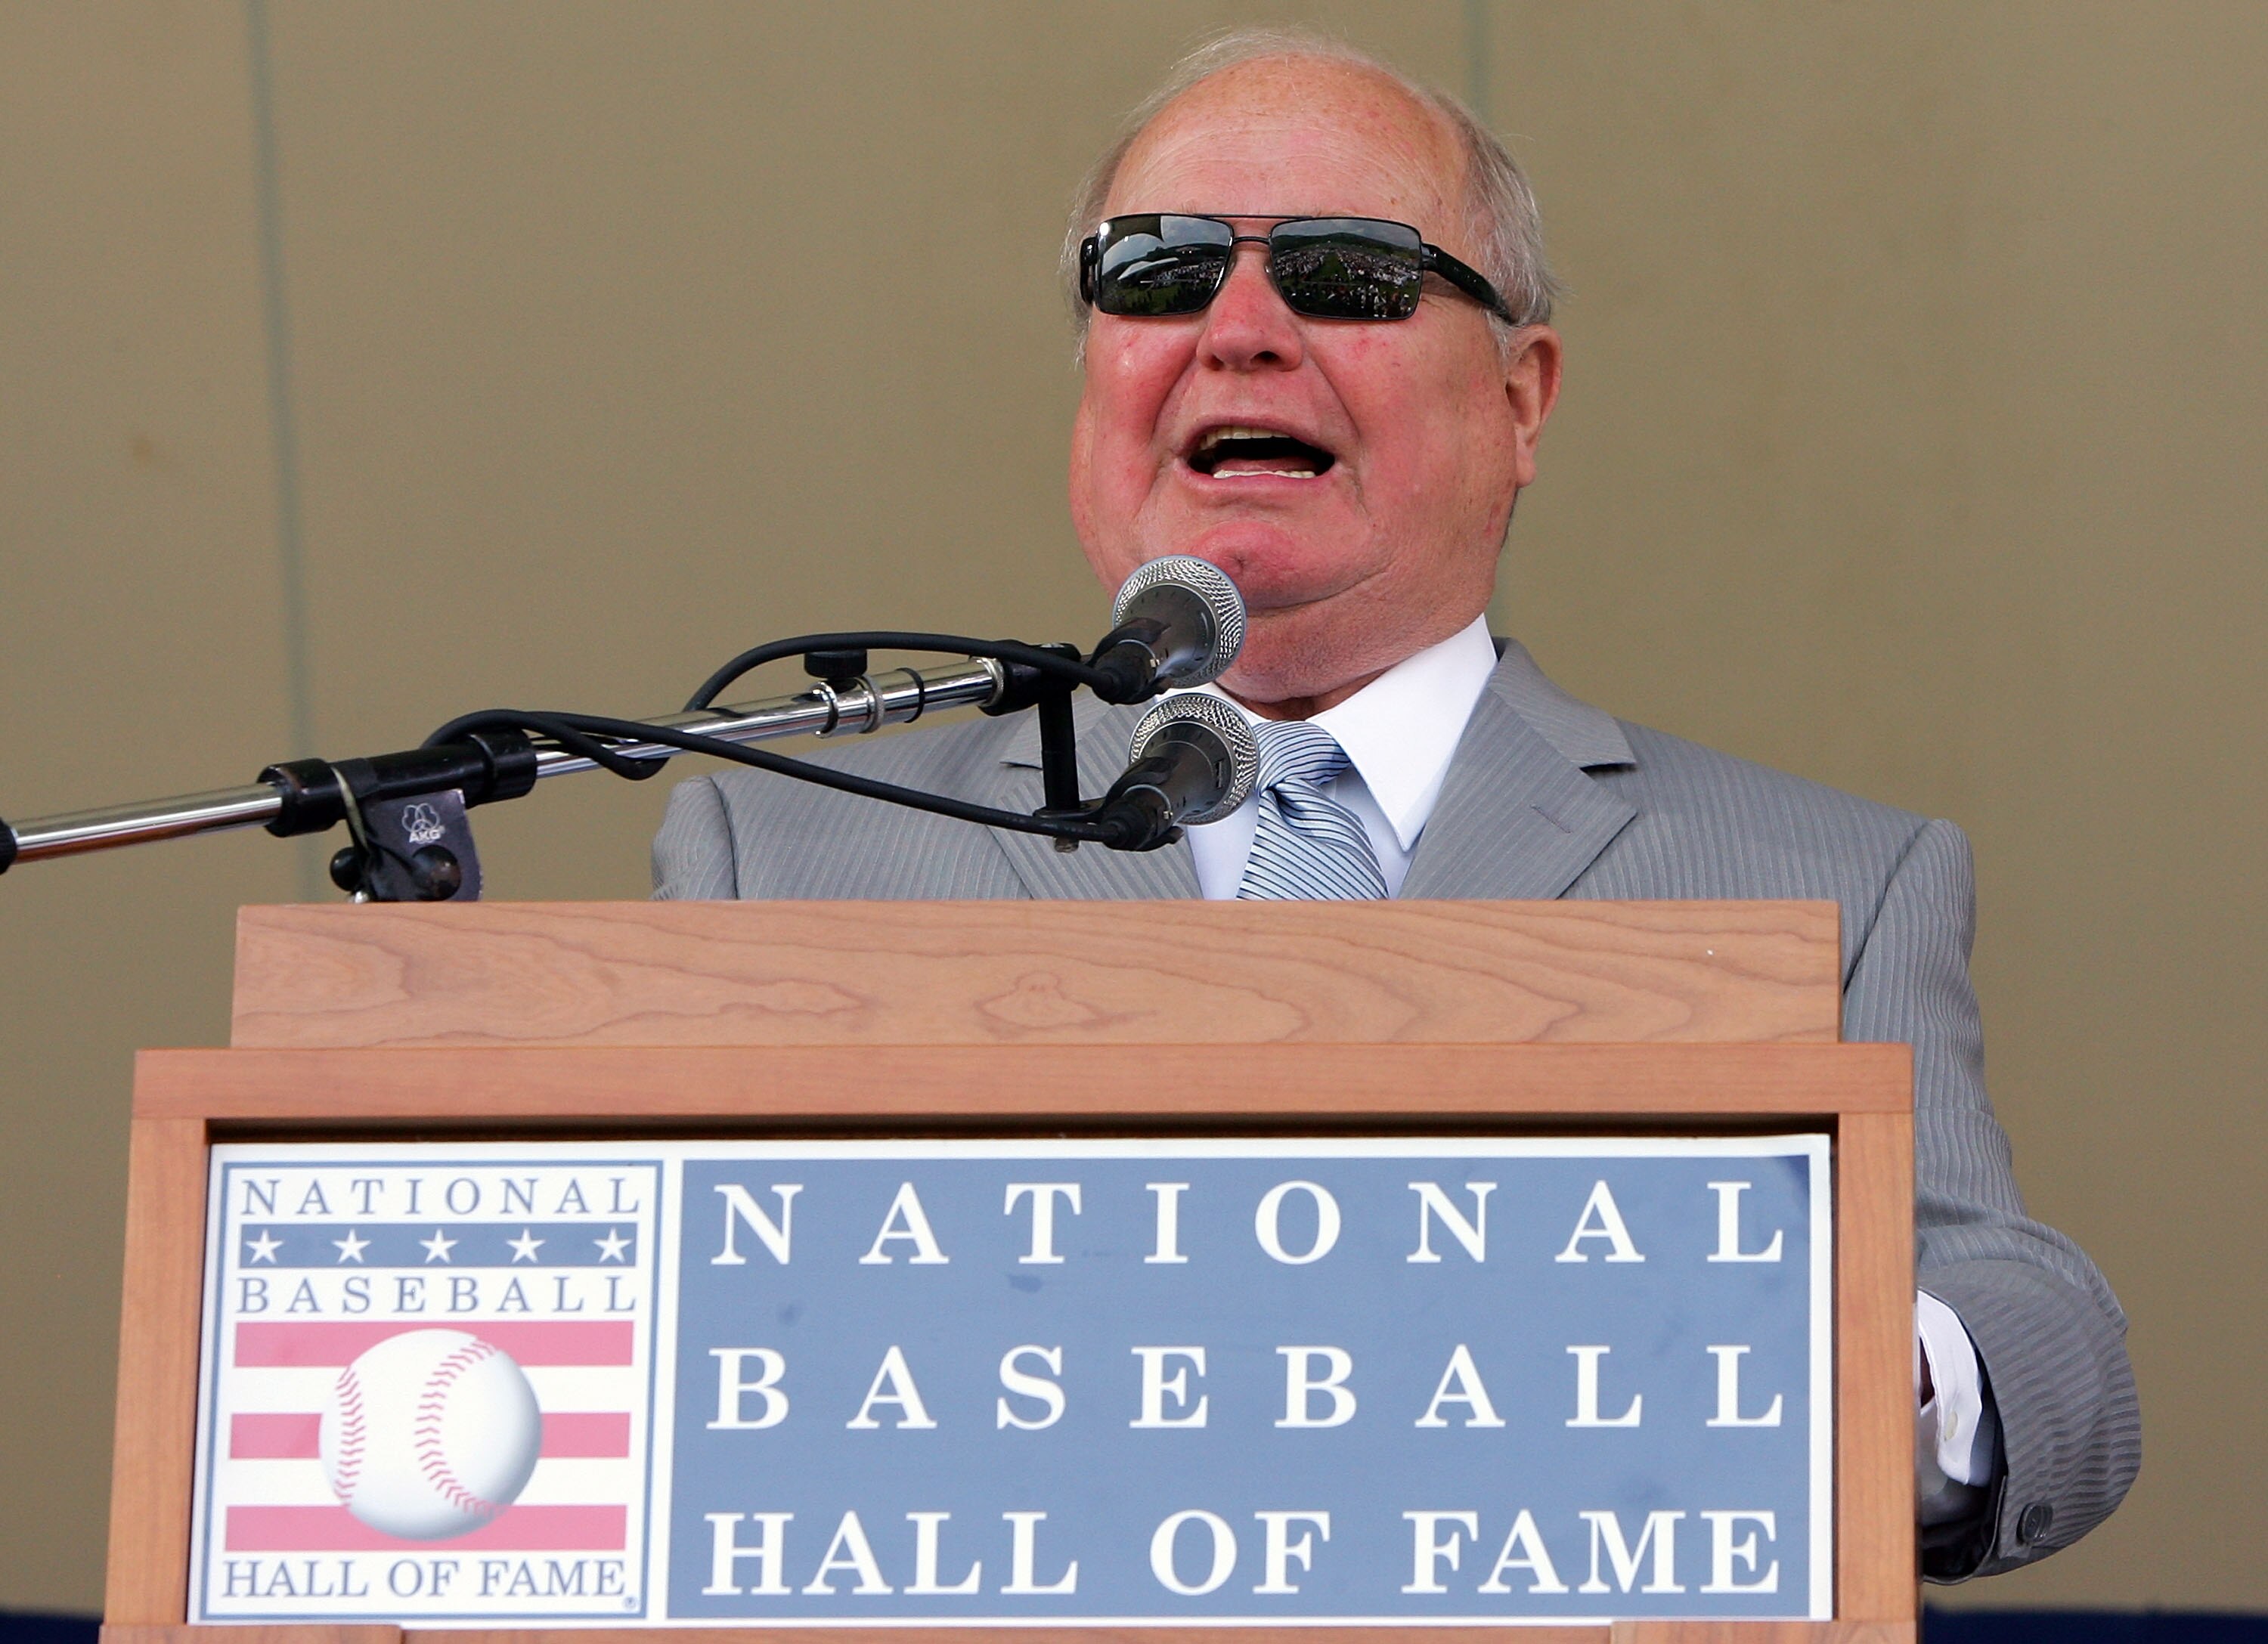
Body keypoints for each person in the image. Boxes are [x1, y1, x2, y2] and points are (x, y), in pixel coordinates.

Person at [653, 28, 2137, 1581]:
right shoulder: (790, 854)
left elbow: (2040, 1344)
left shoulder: (1829, 883)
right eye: (1156, 272)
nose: (1236, 329)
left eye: (1345, 272)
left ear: (1524, 395)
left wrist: (1830, 1362)